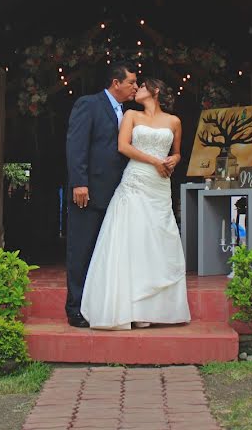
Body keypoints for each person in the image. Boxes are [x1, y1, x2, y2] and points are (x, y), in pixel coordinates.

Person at [80, 78, 191, 330]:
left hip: (160, 185)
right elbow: (123, 146)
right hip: (136, 180)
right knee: (132, 239)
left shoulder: (174, 121)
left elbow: (177, 151)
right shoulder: (131, 115)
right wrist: (155, 161)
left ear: (156, 91)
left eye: (141, 87)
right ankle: (130, 307)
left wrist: (173, 159)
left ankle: (155, 308)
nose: (136, 89)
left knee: (158, 239)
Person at [64, 61, 138, 328]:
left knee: (105, 252)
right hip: (90, 191)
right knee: (81, 248)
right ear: (115, 83)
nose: (135, 87)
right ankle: (75, 308)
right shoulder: (89, 104)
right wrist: (79, 183)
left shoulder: (126, 112)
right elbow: (76, 144)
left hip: (117, 193)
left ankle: (98, 305)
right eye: (131, 82)